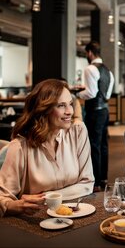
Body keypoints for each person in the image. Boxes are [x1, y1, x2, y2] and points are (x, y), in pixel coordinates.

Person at [0, 79, 94, 217]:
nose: (69, 111)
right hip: (36, 221)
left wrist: (47, 197)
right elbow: (2, 197)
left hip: (76, 214)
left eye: (70, 104)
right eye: (61, 106)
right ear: (44, 109)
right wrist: (14, 205)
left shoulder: (78, 131)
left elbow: (87, 183)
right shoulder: (20, 146)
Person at [76, 41, 114, 192]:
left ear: (90, 53)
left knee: (94, 145)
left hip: (95, 111)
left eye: (86, 53)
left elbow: (90, 93)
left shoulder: (90, 68)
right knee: (103, 144)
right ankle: (103, 178)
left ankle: (96, 181)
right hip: (105, 110)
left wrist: (77, 93)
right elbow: (108, 94)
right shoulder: (108, 71)